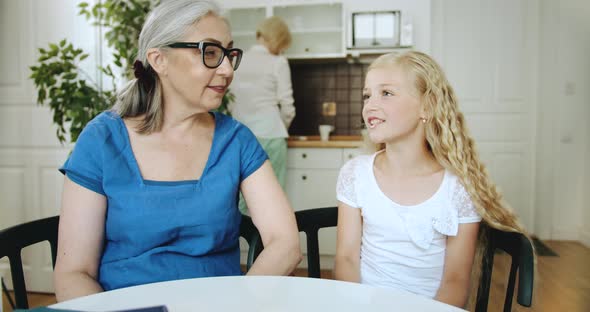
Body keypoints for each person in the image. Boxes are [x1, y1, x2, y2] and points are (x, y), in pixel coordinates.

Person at [53, 0, 301, 302]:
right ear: (159, 60)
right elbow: (74, 274)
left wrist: (236, 304)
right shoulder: (101, 139)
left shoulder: (236, 141)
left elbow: (285, 243)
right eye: (210, 53)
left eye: (228, 54)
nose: (227, 69)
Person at [333, 51, 528, 308]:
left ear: (427, 106)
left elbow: (456, 281)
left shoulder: (458, 188)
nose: (370, 105)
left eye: (386, 93)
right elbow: (346, 259)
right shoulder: (355, 173)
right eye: (367, 95)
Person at [228, 16, 295, 214]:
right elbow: (288, 106)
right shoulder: (278, 62)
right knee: (273, 198)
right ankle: (270, 244)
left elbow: (231, 101)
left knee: (240, 196)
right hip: (271, 134)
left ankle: (239, 244)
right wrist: (281, 127)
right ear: (279, 40)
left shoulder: (236, 61)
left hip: (241, 136)